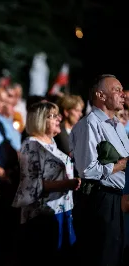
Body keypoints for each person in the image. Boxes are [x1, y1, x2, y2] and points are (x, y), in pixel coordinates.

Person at [70, 74, 129, 266]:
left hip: (119, 199)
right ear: (100, 95)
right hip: (100, 200)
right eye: (117, 90)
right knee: (102, 256)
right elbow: (87, 170)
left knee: (116, 254)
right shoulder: (90, 124)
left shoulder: (117, 126)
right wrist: (121, 164)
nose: (123, 95)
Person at [13, 102, 80, 266]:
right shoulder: (32, 145)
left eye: (58, 115)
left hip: (61, 210)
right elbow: (33, 184)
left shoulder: (51, 143)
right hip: (42, 216)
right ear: (39, 120)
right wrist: (67, 184)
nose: (59, 119)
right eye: (53, 116)